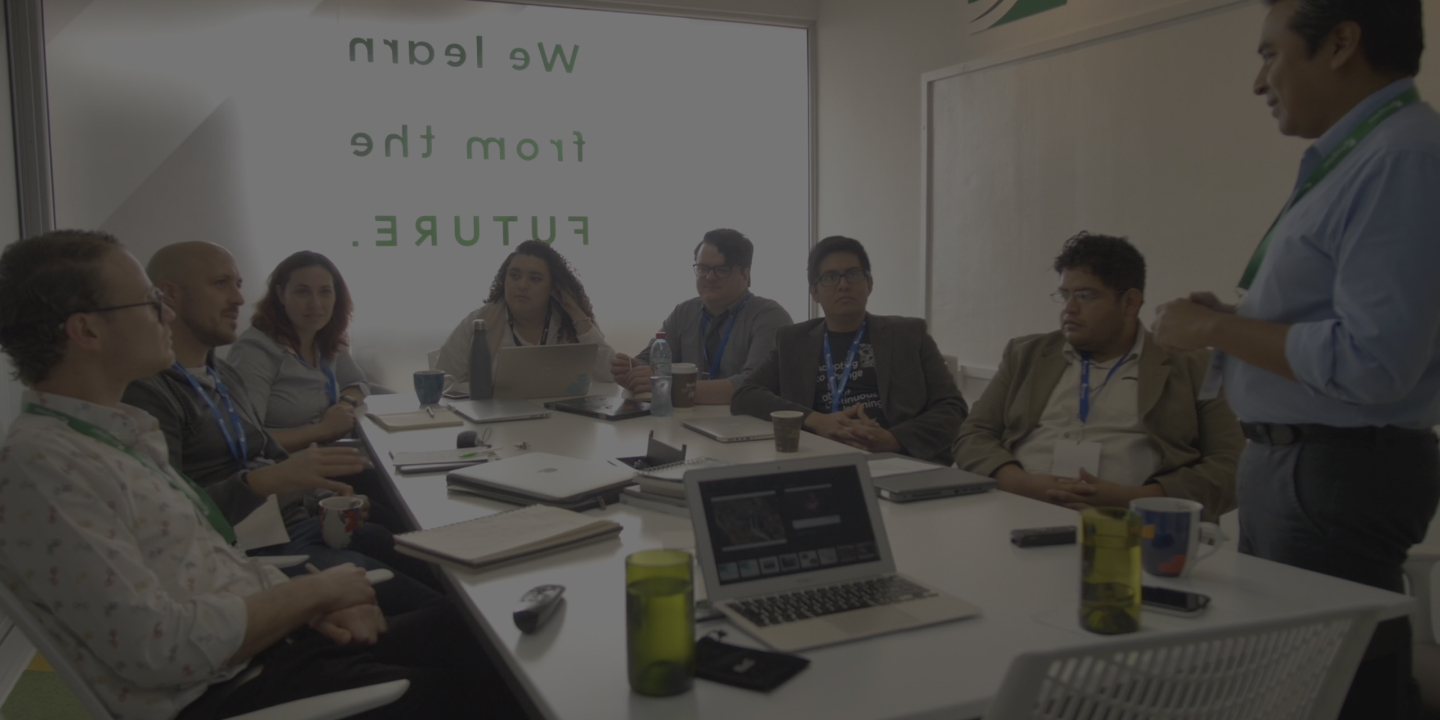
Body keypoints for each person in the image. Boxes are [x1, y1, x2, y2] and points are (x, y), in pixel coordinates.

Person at [0, 230, 521, 720]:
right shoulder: (45, 467)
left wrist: (308, 606)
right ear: (87, 329)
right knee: (502, 678)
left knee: (483, 628)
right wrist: (314, 595)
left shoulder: (118, 435)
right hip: (238, 688)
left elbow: (211, 565)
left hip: (270, 645)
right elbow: (158, 647)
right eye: (148, 301)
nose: (165, 313)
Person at [1151, 1, 1439, 716]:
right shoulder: (1357, 157)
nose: (1259, 81)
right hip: (1303, 465)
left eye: (1271, 54)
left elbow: (1375, 361)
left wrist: (1215, 330)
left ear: (1341, 44)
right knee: (1290, 687)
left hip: (1338, 467)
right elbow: (1335, 325)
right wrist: (1234, 319)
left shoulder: (1401, 157)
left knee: (1338, 695)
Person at [122, 241, 441, 615]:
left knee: (424, 557)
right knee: (447, 618)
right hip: (248, 553)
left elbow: (260, 451)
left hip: (290, 521)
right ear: (170, 295)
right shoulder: (146, 390)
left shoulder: (221, 374)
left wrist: (318, 495)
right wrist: (276, 475)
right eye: (221, 284)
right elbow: (168, 518)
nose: (239, 298)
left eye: (238, 285)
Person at [954, 233, 1242, 519]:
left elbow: (1230, 467)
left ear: (1129, 303)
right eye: (1064, 295)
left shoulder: (1193, 366)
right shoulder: (1026, 354)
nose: (1069, 308)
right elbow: (973, 435)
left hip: (1134, 526)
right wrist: (1021, 484)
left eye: (1085, 296)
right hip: (1019, 508)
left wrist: (1133, 501)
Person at [732, 235, 967, 464]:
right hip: (818, 460)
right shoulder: (793, 341)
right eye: (830, 277)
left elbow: (952, 408)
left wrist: (894, 439)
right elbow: (746, 395)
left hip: (895, 460)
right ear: (814, 292)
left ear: (870, 283)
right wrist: (815, 420)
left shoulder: (909, 335)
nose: (843, 285)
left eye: (853, 274)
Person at [611, 229, 793, 404]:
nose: (710, 277)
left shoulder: (769, 316)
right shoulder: (684, 312)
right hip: (687, 422)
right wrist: (635, 372)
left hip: (745, 425)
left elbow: (751, 385)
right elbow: (651, 361)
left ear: (745, 275)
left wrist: (670, 386)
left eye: (722, 269)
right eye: (703, 268)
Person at [227, 251, 368, 453]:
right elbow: (248, 439)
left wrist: (344, 405)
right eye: (302, 292)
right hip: (279, 470)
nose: (316, 303)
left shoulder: (324, 339)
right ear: (280, 294)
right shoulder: (255, 350)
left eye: (325, 292)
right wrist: (323, 429)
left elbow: (358, 383)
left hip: (322, 457)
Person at [434, 240, 615, 391]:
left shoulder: (570, 321)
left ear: (554, 287)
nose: (522, 285)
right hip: (496, 426)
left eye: (534, 279)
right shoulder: (480, 322)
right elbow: (441, 381)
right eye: (514, 276)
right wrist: (485, 392)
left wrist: (575, 311)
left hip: (563, 423)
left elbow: (609, 375)